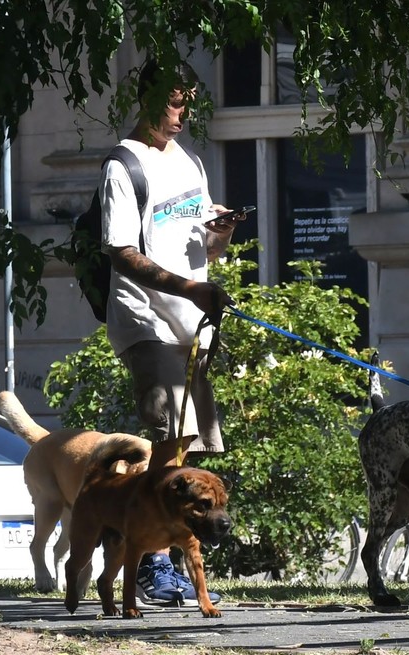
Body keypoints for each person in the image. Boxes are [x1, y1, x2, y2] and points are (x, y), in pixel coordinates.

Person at [99, 57, 243, 606]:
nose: (183, 113)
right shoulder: (124, 164)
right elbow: (120, 251)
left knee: (183, 445)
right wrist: (188, 290)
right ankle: (154, 563)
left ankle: (162, 556)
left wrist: (221, 233)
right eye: (176, 101)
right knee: (166, 436)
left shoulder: (190, 163)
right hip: (147, 315)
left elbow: (202, 250)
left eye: (188, 102)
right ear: (150, 97)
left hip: (191, 321)